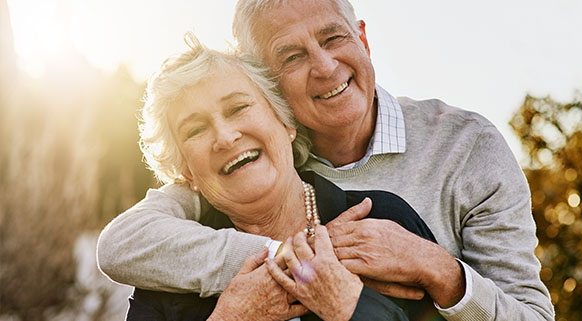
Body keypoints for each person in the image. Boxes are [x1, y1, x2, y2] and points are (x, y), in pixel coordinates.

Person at [97, 0, 555, 320]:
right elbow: (123, 243)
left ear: (363, 40)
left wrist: (440, 270)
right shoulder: (247, 163)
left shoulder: (464, 148)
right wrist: (291, 258)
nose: (325, 66)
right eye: (291, 56)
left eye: (333, 37)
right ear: (270, 89)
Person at [125, 36, 440, 321]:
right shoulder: (167, 276)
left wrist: (349, 305)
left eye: (237, 108)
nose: (224, 136)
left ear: (286, 123)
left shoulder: (383, 221)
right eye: (195, 130)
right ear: (187, 173)